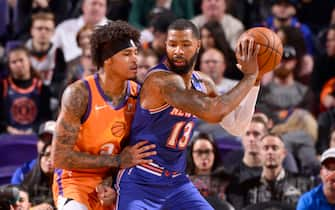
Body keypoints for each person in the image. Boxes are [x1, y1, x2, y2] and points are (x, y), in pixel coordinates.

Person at [115, 19, 261, 210]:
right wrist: (248, 77)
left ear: (198, 45)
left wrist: (256, 81)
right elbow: (213, 111)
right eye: (173, 44)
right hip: (141, 180)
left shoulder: (203, 82)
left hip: (177, 183)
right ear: (165, 45)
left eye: (185, 44)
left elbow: (237, 127)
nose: (178, 51)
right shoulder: (160, 80)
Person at [51, 20, 156, 210]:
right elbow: (59, 158)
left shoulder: (138, 94)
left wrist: (113, 178)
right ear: (108, 60)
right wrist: (117, 160)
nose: (135, 60)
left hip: (115, 182)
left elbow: (136, 152)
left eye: (135, 53)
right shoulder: (79, 94)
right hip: (75, 180)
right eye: (127, 54)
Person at [11, 120, 56, 185]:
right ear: (37, 144)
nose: (47, 144)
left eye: (52, 140)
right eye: (43, 139)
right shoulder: (24, 171)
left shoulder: (68, 171)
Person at [21, 143, 55, 209]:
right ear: (40, 158)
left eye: (54, 156)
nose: (50, 160)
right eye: (47, 154)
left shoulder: (65, 186)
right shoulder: (26, 185)